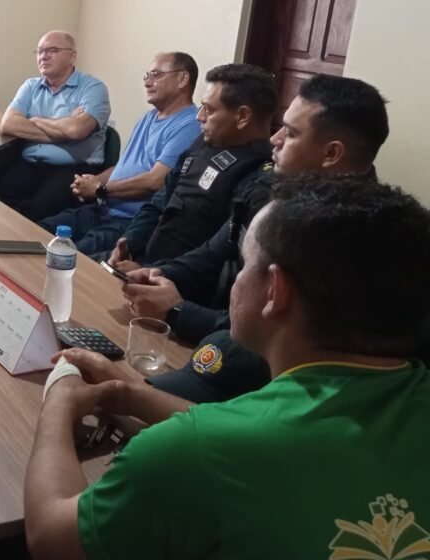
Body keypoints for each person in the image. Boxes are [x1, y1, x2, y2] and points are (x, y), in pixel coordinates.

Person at [24, 175, 430, 560]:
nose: (236, 280)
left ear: (275, 291)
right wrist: (131, 394)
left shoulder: (191, 454)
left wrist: (59, 400)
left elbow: (51, 537)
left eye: (245, 263)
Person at [122, 73, 390, 402]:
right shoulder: (275, 190)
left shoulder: (351, 240)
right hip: (217, 343)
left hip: (253, 378)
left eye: (291, 133)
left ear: (331, 154)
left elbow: (273, 334)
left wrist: (177, 311)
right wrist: (159, 274)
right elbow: (212, 253)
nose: (275, 139)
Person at [101, 63, 276, 265]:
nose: (199, 116)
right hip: (142, 257)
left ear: (242, 117)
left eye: (209, 110)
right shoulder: (204, 143)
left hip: (170, 276)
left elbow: (216, 255)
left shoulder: (257, 173)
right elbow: (158, 203)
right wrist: (129, 243)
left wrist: (152, 272)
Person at [38, 53, 201, 254]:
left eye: (156, 75)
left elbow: (156, 181)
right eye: (147, 76)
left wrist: (100, 189)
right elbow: (124, 166)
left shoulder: (190, 125)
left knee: (69, 257)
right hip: (102, 210)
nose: (147, 83)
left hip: (129, 222)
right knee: (39, 231)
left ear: (182, 79)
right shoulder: (148, 117)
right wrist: (95, 181)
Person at [0, 31, 113, 221]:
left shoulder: (93, 88)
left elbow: (76, 131)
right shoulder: (31, 86)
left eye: (52, 50)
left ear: (72, 56)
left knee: (37, 213)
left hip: (73, 170)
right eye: (40, 51)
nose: (43, 56)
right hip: (30, 164)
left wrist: (35, 120)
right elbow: (8, 124)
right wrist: (64, 126)